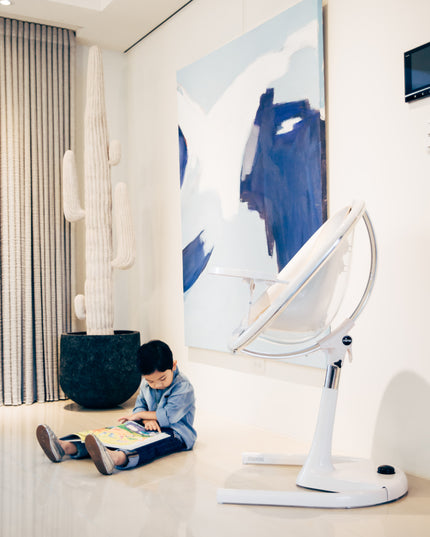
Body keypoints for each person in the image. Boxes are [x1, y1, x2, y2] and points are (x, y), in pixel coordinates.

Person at [36, 340, 196, 475]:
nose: (157, 385)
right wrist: (144, 418)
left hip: (176, 432)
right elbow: (140, 405)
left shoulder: (183, 387)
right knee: (116, 433)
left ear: (174, 366)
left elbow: (168, 416)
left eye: (162, 379)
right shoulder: (147, 384)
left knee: (152, 445)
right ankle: (66, 446)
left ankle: (116, 458)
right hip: (147, 424)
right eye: (151, 382)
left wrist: (142, 416)